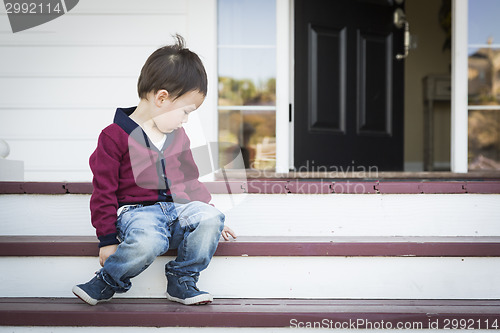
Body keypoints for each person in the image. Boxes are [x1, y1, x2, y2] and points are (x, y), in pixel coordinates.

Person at [72, 35, 236, 306]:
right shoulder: (114, 136)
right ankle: (108, 280)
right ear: (162, 98)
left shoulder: (178, 137)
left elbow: (190, 180)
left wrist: (210, 214)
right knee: (149, 239)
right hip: (137, 216)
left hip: (175, 212)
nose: (185, 120)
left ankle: (182, 279)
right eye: (185, 111)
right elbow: (104, 191)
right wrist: (107, 239)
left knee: (210, 217)